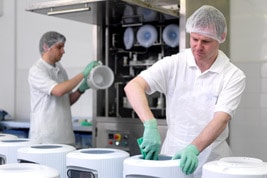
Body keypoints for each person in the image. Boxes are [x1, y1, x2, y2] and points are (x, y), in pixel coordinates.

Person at [124, 5, 246, 178]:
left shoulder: (232, 75)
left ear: (222, 38)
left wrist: (194, 148)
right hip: (171, 158)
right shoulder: (175, 63)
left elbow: (222, 118)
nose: (198, 46)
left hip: (213, 162)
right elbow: (133, 86)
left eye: (206, 41)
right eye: (194, 39)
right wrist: (150, 124)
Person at [28, 31, 98, 146]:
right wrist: (83, 74)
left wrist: (81, 89)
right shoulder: (37, 70)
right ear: (46, 47)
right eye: (59, 47)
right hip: (45, 139)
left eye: (63, 47)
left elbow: (67, 100)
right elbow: (58, 91)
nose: (63, 51)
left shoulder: (60, 69)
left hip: (65, 136)